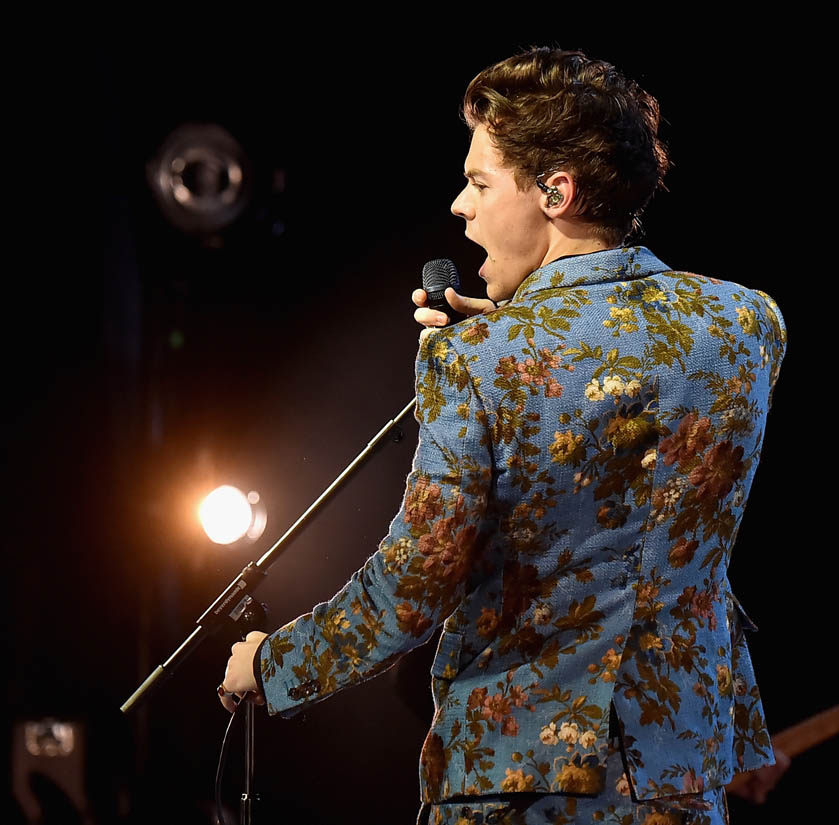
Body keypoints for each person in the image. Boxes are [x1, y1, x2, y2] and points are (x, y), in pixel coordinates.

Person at [218, 47, 788, 824]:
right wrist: (515, 336)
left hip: (521, 783)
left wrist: (273, 662)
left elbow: (415, 585)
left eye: (481, 182)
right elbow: (626, 402)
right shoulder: (748, 324)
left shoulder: (476, 361)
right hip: (679, 778)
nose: (461, 205)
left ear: (556, 191)